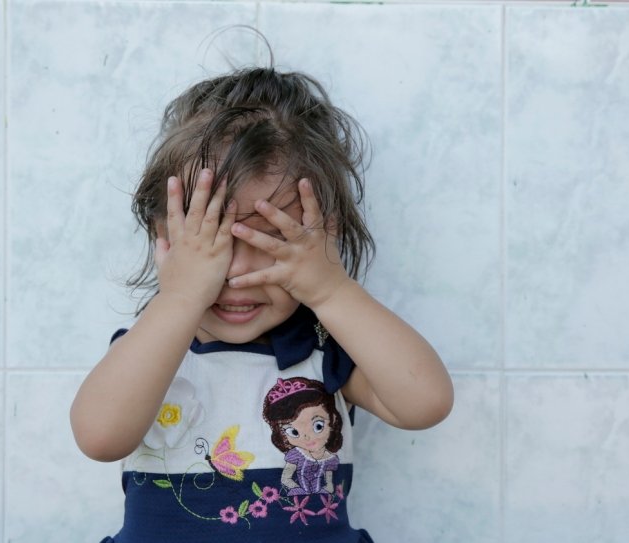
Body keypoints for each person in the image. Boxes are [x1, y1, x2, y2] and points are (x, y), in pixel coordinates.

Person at [69, 65, 454, 543]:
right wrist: (182, 298)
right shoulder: (153, 350)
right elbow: (100, 438)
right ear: (161, 237)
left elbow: (426, 403)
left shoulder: (322, 349)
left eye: (272, 241)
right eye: (212, 243)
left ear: (325, 240)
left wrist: (332, 291)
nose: (238, 273)